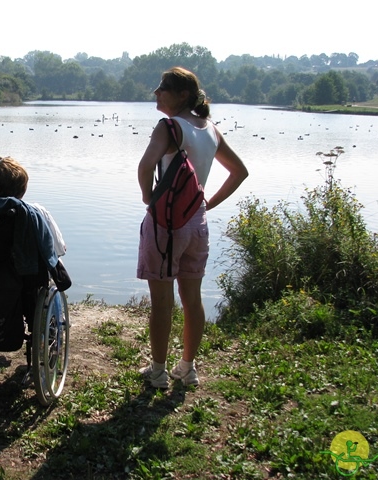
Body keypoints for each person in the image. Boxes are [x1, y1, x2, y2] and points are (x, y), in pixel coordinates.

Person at [137, 67, 248, 389]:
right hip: (197, 223)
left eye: (163, 88)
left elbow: (145, 167)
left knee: (161, 301)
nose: (156, 92)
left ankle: (158, 371)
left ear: (182, 94)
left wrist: (149, 198)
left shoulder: (170, 127)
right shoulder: (210, 129)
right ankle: (187, 367)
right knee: (192, 298)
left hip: (166, 223)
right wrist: (207, 203)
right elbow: (239, 172)